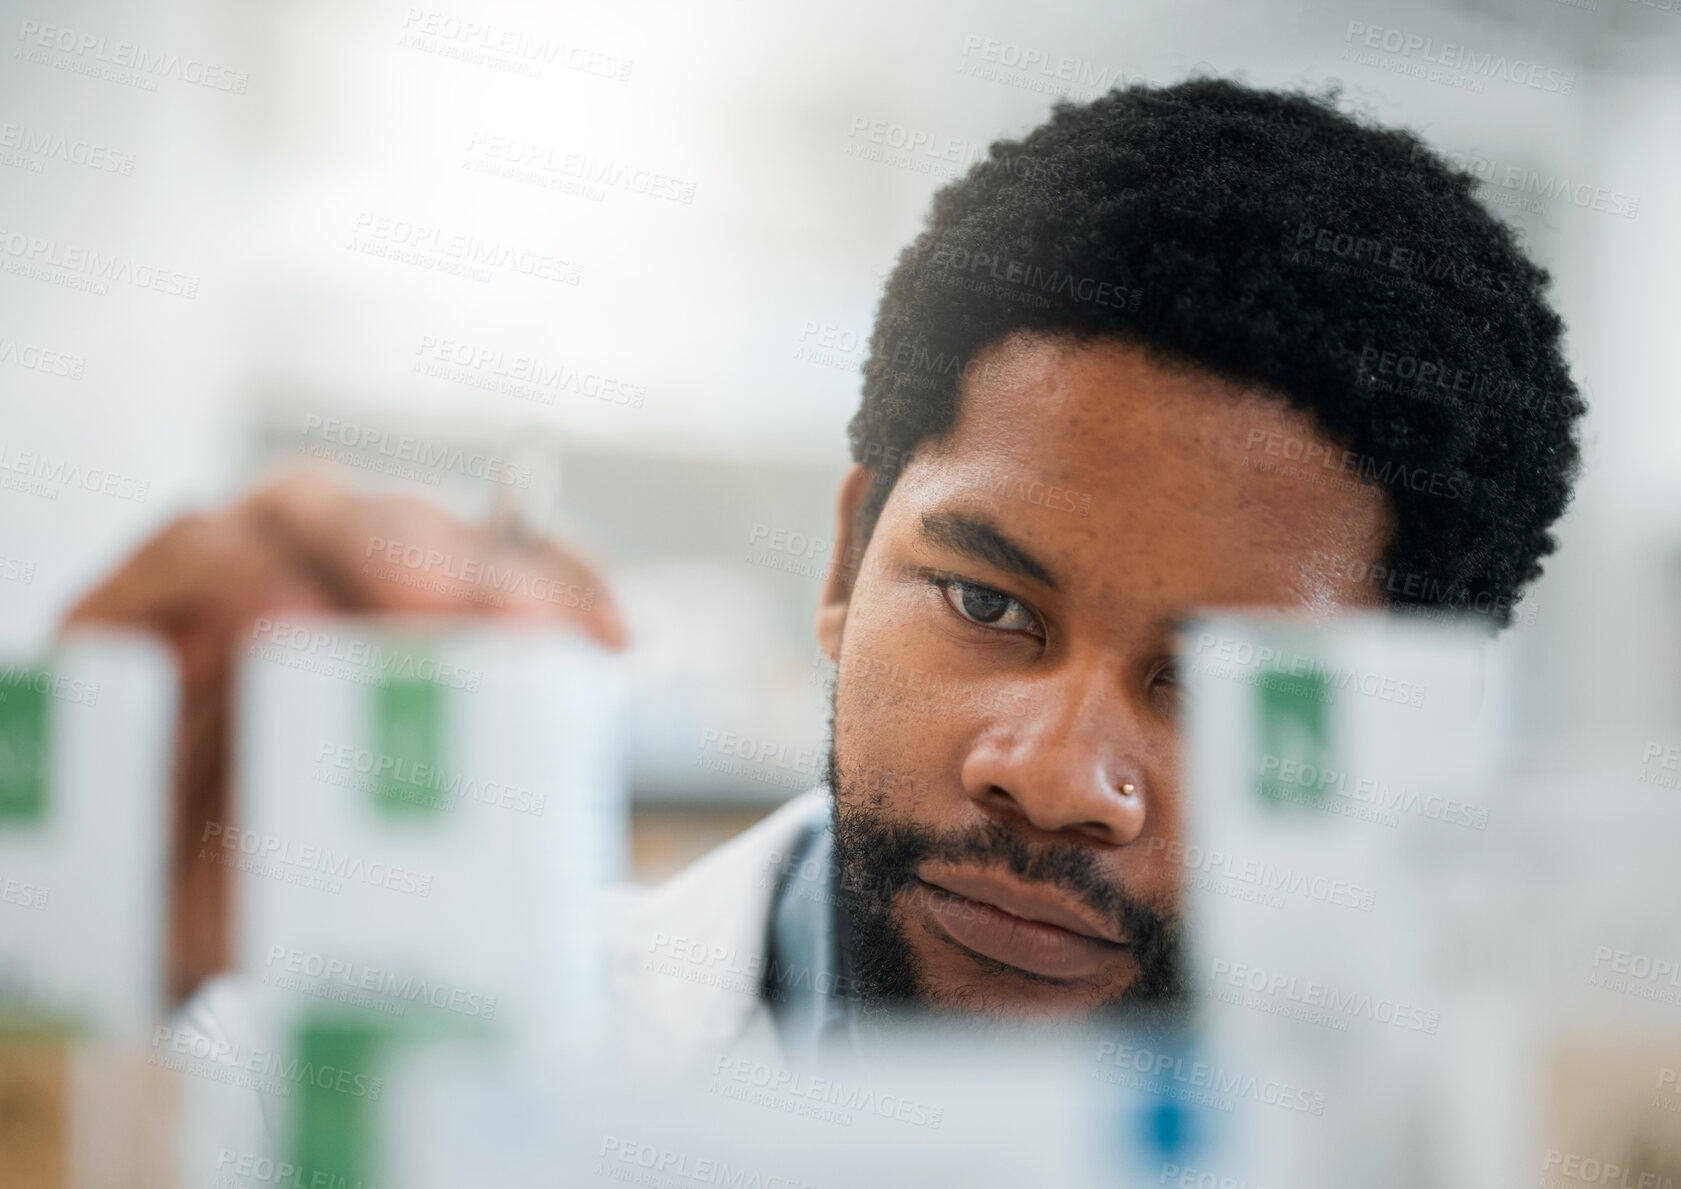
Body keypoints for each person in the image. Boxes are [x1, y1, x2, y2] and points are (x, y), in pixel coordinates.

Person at [70, 79, 1583, 1084]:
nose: (1053, 778)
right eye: (989, 605)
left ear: (1415, 740)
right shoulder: (312, 1084)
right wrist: (69, 957)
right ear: (848, 558)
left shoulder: (1533, 1145)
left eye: (1226, 685)